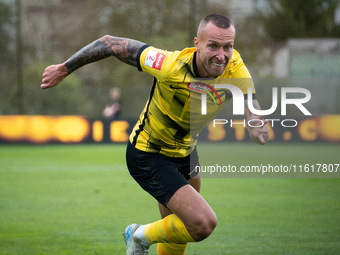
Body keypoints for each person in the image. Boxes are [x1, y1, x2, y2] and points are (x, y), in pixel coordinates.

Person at [41, 14, 269, 255]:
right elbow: (109, 43)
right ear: (197, 44)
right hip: (148, 153)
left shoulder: (235, 67)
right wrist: (65, 68)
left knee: (180, 229)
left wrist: (254, 123)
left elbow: (249, 103)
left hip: (186, 154)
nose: (221, 55)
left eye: (228, 47)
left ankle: (141, 238)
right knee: (202, 224)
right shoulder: (168, 65)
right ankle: (137, 235)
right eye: (213, 46)